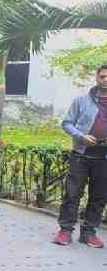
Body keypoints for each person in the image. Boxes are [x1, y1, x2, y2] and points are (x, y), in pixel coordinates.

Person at [53, 66, 107, 248]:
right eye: (102, 76)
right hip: (81, 154)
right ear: (97, 78)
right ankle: (65, 230)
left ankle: (89, 232)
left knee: (99, 197)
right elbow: (67, 124)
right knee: (72, 194)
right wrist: (81, 136)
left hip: (104, 158)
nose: (105, 79)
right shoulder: (81, 101)